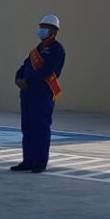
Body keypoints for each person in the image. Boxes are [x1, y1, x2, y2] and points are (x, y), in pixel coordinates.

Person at [12, 14, 65, 173]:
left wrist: (29, 81)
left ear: (54, 31)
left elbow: (47, 70)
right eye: (41, 27)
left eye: (45, 28)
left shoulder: (57, 50)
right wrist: (18, 78)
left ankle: (40, 162)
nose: (41, 30)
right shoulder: (37, 50)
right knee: (27, 128)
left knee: (40, 129)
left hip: (42, 94)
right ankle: (28, 160)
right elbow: (25, 66)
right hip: (27, 94)